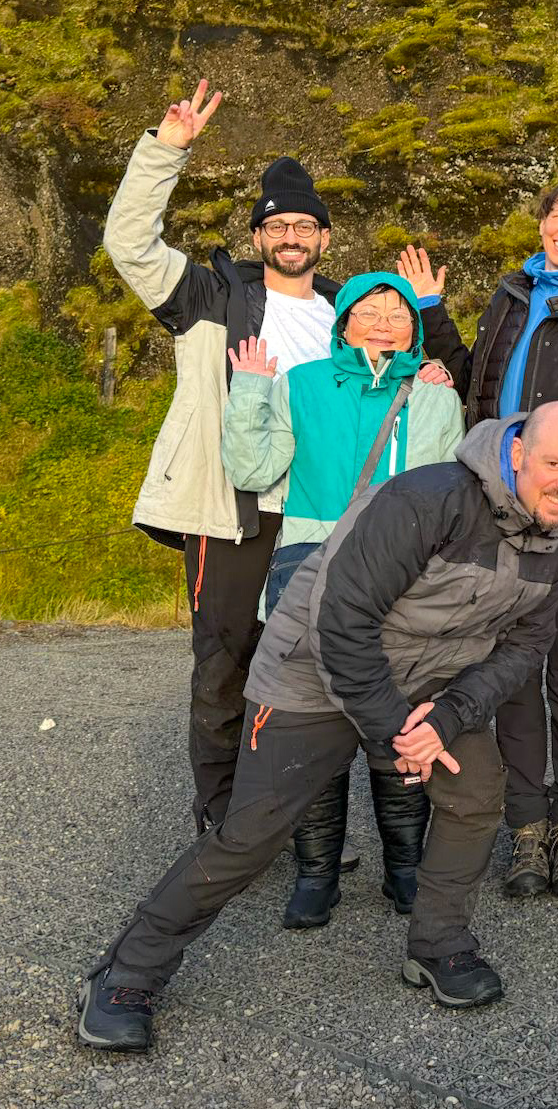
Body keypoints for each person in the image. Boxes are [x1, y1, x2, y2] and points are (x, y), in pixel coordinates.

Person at [77, 404, 558, 1053]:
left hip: (429, 682)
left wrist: (447, 717)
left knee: (474, 793)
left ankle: (438, 943)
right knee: (252, 832)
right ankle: (127, 972)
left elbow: (527, 645)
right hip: (313, 666)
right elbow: (342, 619)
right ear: (518, 452)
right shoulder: (426, 500)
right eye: (555, 463)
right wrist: (395, 730)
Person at [102, 79, 342, 835]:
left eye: (305, 225)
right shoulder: (212, 296)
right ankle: (222, 817)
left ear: (324, 238)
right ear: (259, 236)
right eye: (278, 225)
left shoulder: (350, 313)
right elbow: (129, 244)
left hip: (319, 513)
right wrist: (165, 151)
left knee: (305, 671)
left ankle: (294, 818)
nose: (292, 235)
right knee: (225, 665)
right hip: (232, 512)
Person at [404, 181, 558, 902]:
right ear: (542, 224)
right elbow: (474, 383)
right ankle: (527, 826)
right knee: (510, 675)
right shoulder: (510, 295)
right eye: (557, 215)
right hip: (500, 514)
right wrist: (430, 310)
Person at [221, 271, 465, 930]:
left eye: (399, 313)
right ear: (344, 322)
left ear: (415, 330)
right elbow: (252, 470)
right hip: (310, 572)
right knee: (311, 720)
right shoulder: (300, 383)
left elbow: (448, 494)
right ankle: (316, 873)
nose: (384, 322)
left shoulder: (435, 396)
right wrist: (250, 388)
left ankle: (406, 868)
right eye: (370, 310)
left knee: (399, 717)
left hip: (402, 575)